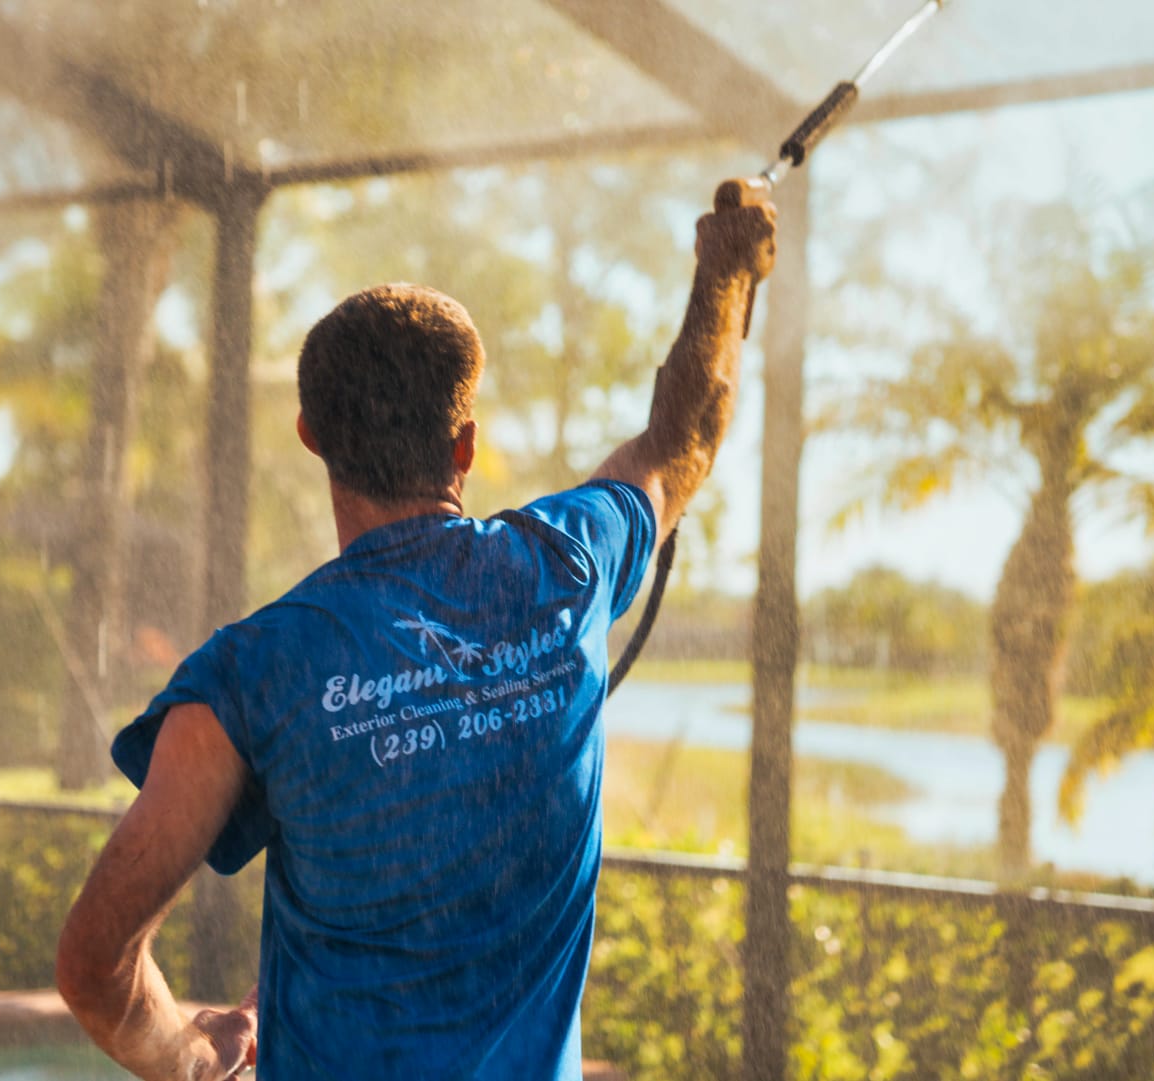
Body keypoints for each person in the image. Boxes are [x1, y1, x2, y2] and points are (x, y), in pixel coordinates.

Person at [56, 178, 776, 1080]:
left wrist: (192, 1055)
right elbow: (684, 435)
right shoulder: (566, 569)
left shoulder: (252, 674)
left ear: (312, 435)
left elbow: (94, 962)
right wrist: (726, 275)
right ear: (464, 444)